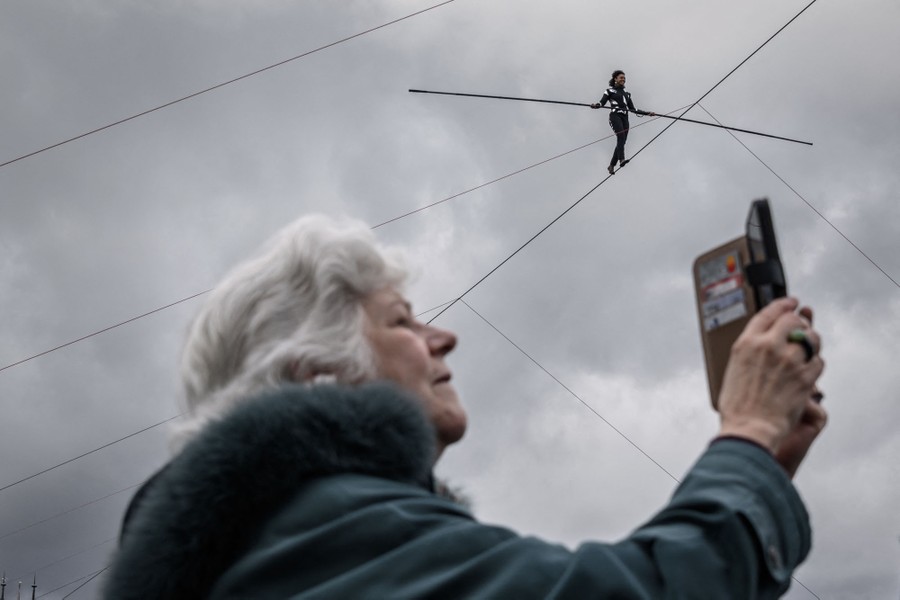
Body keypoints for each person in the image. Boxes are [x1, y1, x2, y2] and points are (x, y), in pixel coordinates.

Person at [103, 215, 827, 599]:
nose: (443, 336)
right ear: (318, 377)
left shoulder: (264, 542)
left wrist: (759, 458)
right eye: (403, 322)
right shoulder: (319, 535)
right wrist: (750, 438)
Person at [591, 70, 656, 175]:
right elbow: (602, 102)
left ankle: (611, 165)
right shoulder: (609, 91)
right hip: (615, 116)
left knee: (622, 141)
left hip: (625, 118)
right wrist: (596, 105)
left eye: (624, 78)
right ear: (615, 79)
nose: (623, 80)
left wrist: (648, 113)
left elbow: (633, 109)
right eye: (621, 77)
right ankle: (621, 159)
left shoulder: (627, 94)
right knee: (621, 136)